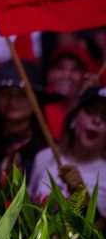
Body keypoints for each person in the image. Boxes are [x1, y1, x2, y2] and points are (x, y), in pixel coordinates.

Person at [30, 87, 106, 216]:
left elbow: (100, 228)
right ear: (74, 118)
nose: (97, 120)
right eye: (91, 111)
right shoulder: (44, 156)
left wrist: (82, 198)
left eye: (105, 117)